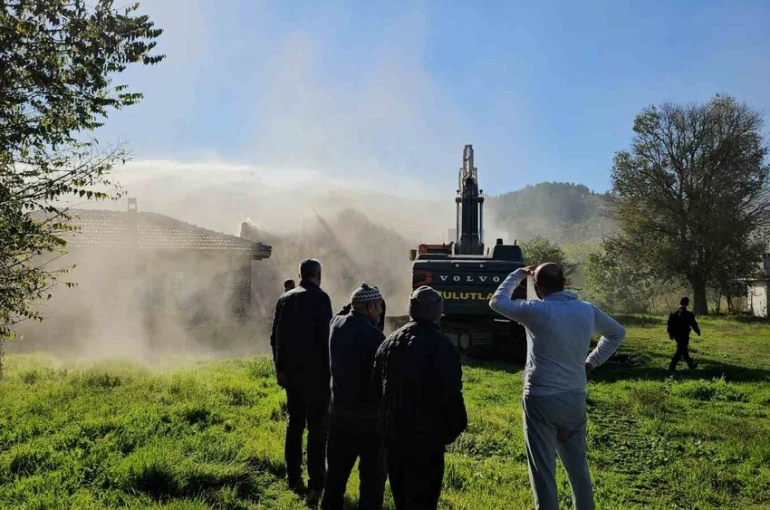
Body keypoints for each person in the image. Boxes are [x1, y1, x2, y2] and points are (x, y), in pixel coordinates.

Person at [489, 263, 626, 510]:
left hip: (540, 397)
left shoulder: (536, 310)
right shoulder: (587, 310)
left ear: (538, 287)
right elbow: (617, 333)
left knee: (543, 471)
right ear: (564, 283)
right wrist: (592, 362)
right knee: (578, 469)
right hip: (574, 396)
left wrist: (518, 275)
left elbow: (497, 302)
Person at [371, 285, 467, 510]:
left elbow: (375, 392)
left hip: (393, 438)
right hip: (427, 442)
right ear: (437, 313)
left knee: (401, 500)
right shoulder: (443, 346)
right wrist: (448, 434)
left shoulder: (388, 343)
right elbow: (452, 396)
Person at [320, 283, 387, 510]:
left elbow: (342, 313)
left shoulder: (335, 325)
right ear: (370, 307)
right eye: (378, 307)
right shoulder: (376, 337)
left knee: (335, 480)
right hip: (369, 421)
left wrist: (354, 303)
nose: (380, 312)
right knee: (371, 483)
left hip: (338, 416)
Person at [270, 258, 333, 494]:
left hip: (291, 374)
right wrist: (331, 373)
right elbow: (325, 339)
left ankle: (293, 477)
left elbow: (275, 337)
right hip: (316, 374)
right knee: (317, 427)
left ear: (300, 275)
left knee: (295, 424)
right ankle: (317, 481)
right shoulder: (321, 298)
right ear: (319, 275)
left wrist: (280, 368)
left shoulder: (284, 299)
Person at [667, 297, 701, 372]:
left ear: (680, 302)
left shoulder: (673, 313)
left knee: (683, 350)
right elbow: (693, 324)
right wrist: (697, 331)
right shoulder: (689, 314)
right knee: (680, 351)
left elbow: (669, 325)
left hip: (676, 335)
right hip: (684, 334)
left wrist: (670, 334)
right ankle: (671, 367)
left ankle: (691, 365)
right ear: (687, 304)